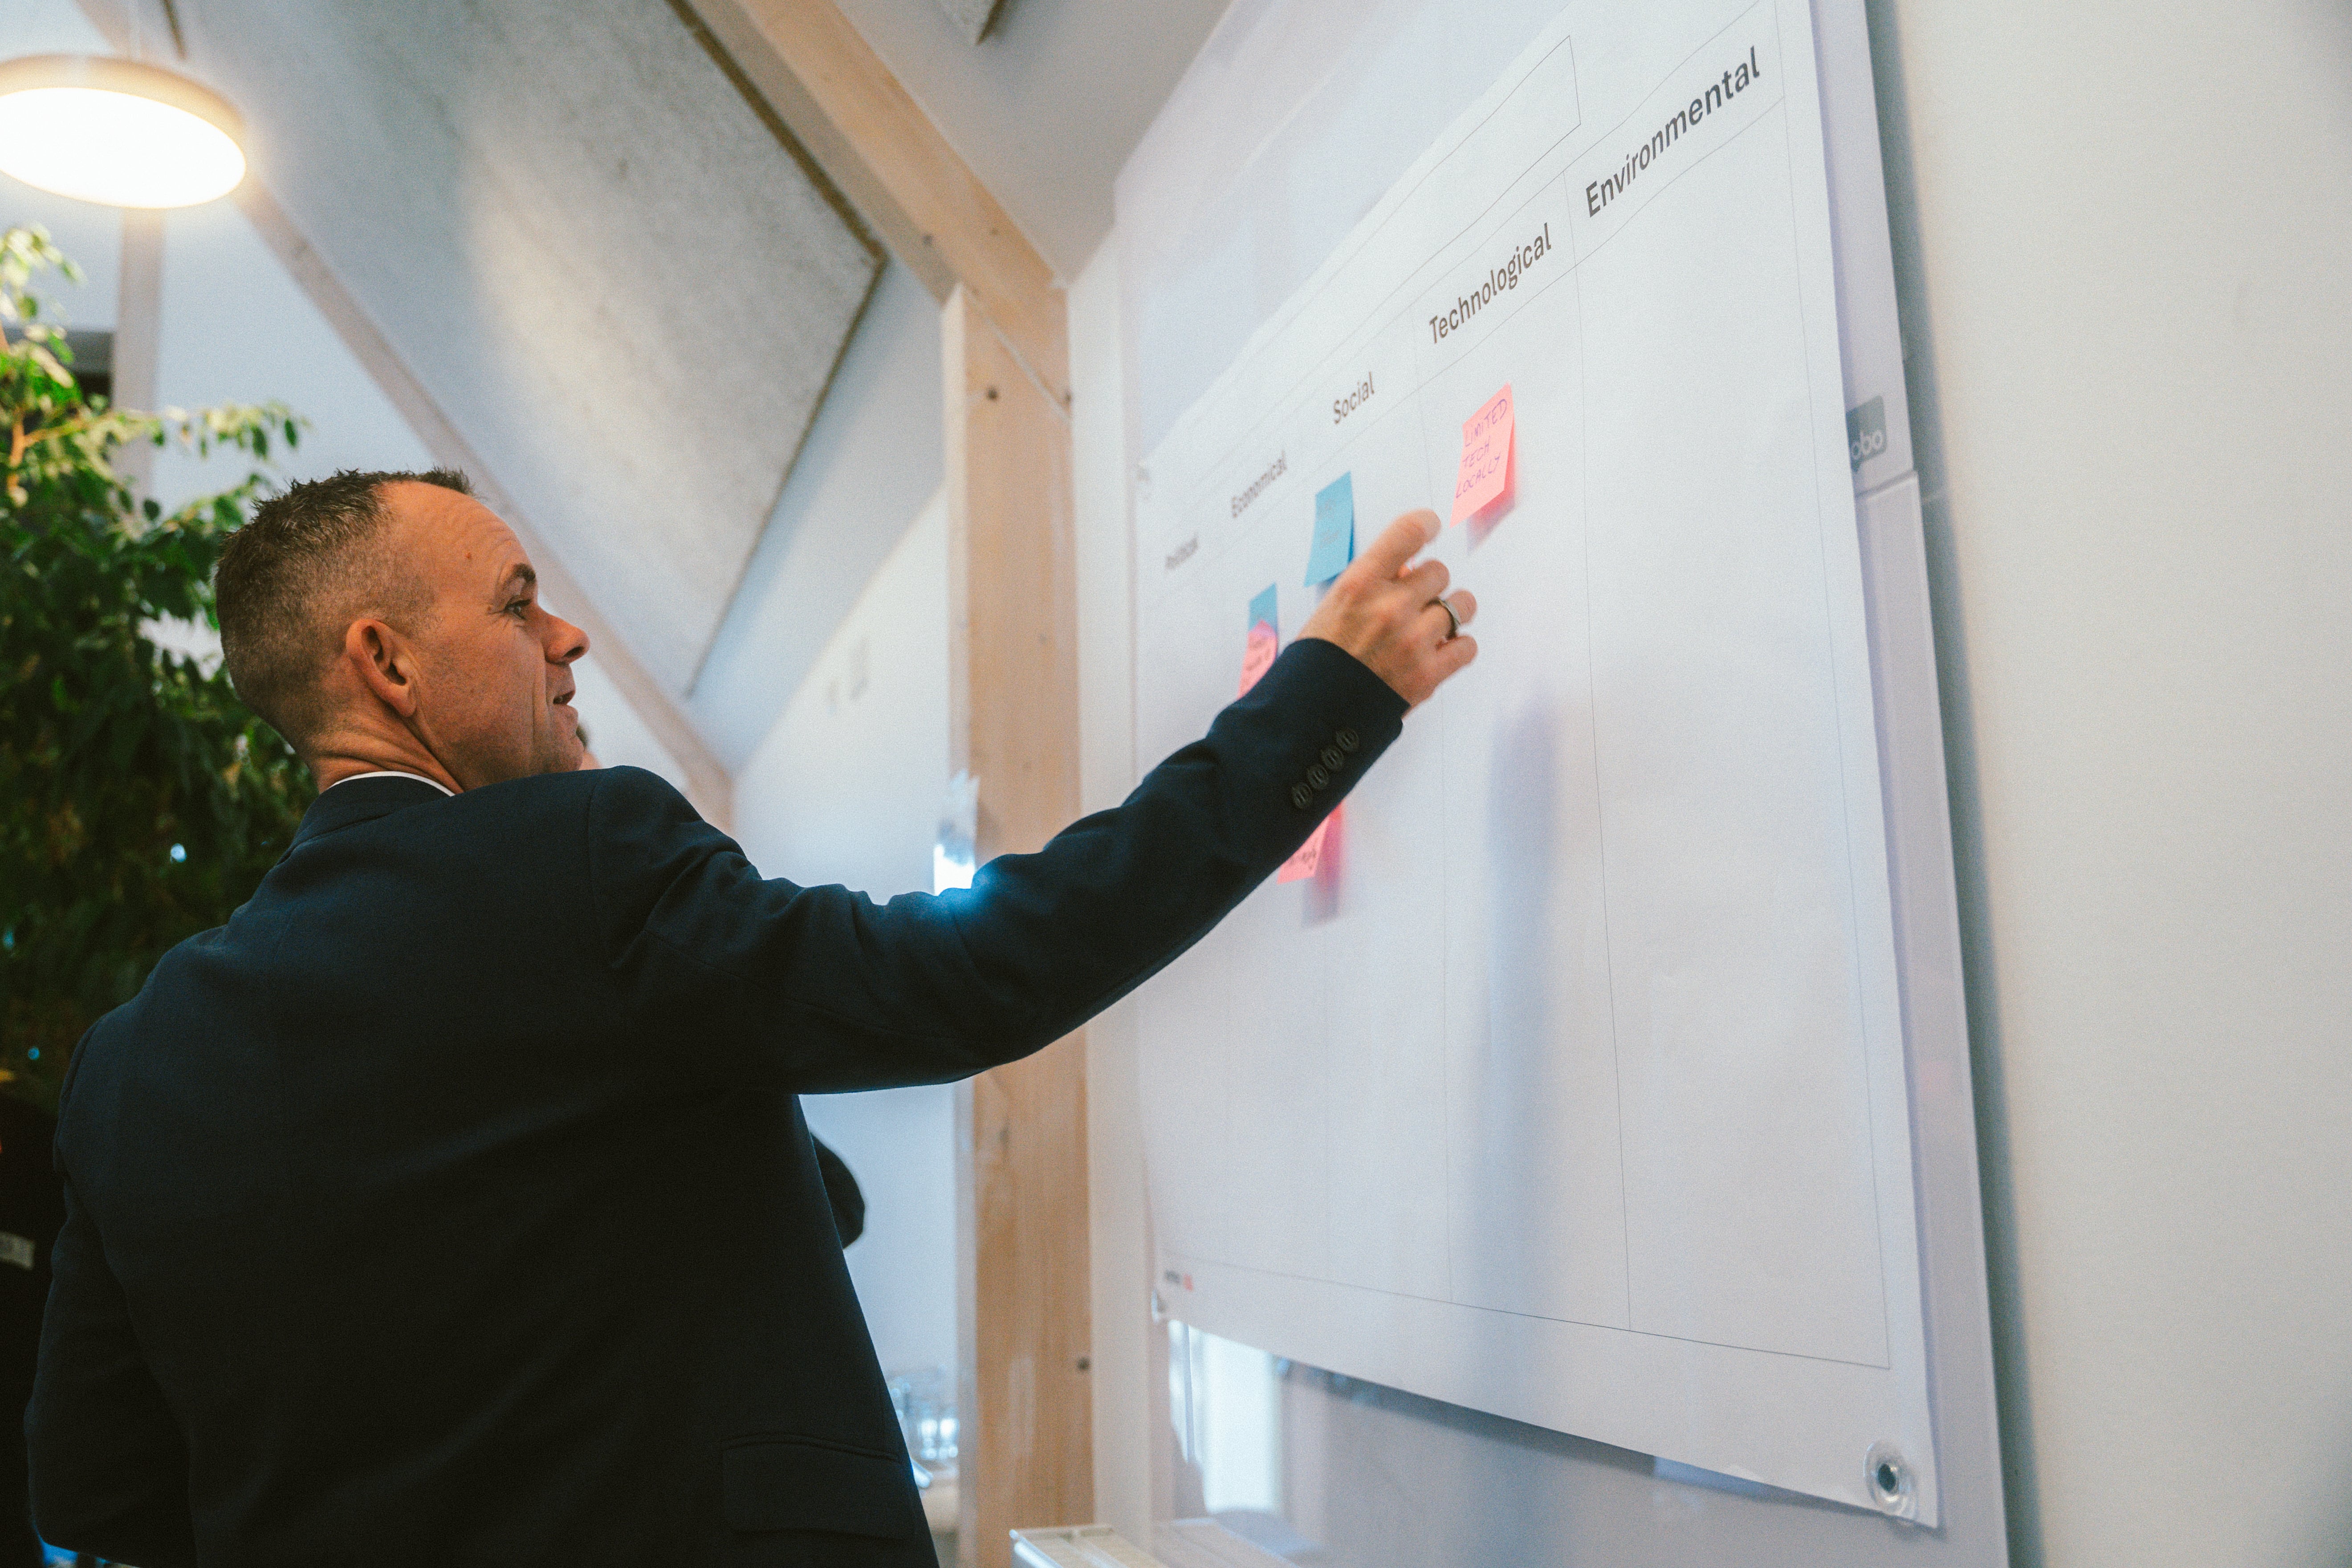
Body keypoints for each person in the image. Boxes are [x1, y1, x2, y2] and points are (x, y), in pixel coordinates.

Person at [27, 468, 1475, 1566]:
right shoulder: (578, 863)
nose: (567, 635)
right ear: (386, 663)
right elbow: (978, 969)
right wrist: (1324, 700)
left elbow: (96, 1481)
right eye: (519, 600)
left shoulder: (131, 1063)